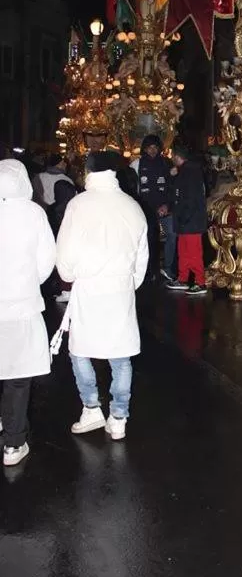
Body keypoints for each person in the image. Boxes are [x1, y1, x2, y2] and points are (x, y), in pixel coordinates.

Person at [56, 151, 149, 440]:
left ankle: (91, 408)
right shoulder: (132, 206)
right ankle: (119, 417)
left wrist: (69, 275)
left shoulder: (78, 205)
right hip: (120, 289)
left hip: (89, 289)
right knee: (120, 358)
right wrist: (129, 282)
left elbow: (66, 257)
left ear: (89, 172)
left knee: (80, 351)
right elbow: (141, 257)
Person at [0, 159, 56, 466]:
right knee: (18, 376)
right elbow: (47, 258)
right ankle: (13, 443)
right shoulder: (34, 213)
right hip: (21, 304)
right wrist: (29, 282)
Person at [131, 134, 177, 281]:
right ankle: (148, 270)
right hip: (145, 210)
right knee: (147, 239)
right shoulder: (136, 165)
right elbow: (133, 189)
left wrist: (167, 205)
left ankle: (168, 268)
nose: (152, 150)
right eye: (149, 147)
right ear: (144, 149)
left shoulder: (167, 163)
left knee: (172, 234)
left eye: (155, 147)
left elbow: (173, 187)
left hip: (165, 208)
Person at [167, 142, 208, 295]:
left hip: (191, 221)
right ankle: (183, 279)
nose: (171, 158)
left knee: (194, 252)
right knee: (183, 251)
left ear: (177, 157)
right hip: (185, 220)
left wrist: (183, 217)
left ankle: (200, 282)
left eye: (172, 156)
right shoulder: (184, 171)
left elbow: (190, 199)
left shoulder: (190, 172)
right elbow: (178, 194)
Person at [48, 178, 78, 303]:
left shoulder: (51, 209)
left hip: (57, 245)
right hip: (73, 244)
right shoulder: (75, 207)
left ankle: (65, 290)